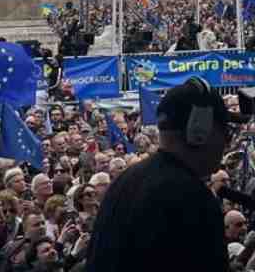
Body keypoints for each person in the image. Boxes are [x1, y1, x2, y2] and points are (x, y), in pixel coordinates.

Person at [84, 78, 231, 272]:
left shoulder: (125, 180)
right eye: (226, 133)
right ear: (199, 132)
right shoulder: (191, 197)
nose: (226, 143)